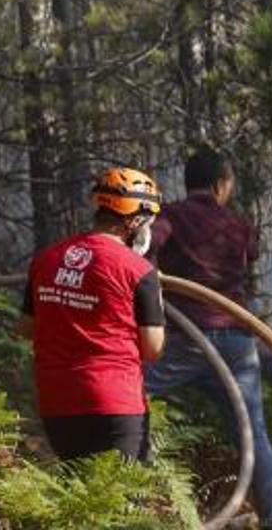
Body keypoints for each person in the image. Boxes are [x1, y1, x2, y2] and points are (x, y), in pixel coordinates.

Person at [145, 150, 272, 529]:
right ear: (220, 185)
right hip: (236, 344)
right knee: (254, 435)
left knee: (123, 394)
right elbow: (251, 253)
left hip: (183, 341)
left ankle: (117, 486)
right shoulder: (238, 225)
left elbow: (147, 246)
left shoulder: (170, 216)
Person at [19, 167, 166, 461]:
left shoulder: (47, 258)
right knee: (123, 501)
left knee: (81, 498)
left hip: (56, 403)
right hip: (115, 405)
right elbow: (152, 349)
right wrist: (156, 295)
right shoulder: (138, 271)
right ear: (135, 219)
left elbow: (26, 327)